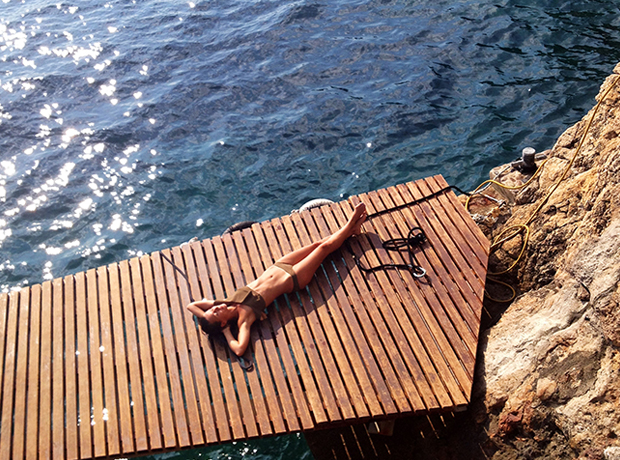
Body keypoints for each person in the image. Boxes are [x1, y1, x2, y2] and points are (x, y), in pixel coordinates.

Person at [186, 202, 367, 356]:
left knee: (317, 244)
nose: (215, 307)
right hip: (294, 277)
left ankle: (352, 230)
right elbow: (240, 349)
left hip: (279, 265)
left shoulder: (224, 301)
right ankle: (351, 223)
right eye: (216, 313)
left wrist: (207, 317)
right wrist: (226, 333)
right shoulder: (244, 319)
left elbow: (191, 306)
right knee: (324, 248)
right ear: (224, 322)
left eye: (212, 309)